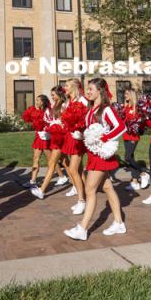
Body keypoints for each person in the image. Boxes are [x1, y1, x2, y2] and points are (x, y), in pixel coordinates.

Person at [64, 78, 126, 241]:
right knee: (107, 187)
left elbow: (121, 127)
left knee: (90, 190)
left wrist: (106, 138)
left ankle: (82, 229)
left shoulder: (106, 109)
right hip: (93, 154)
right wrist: (80, 134)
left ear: (100, 91)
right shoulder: (91, 109)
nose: (88, 92)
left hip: (102, 155)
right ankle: (119, 222)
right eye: (88, 89)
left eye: (91, 89)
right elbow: (90, 131)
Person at [23, 94, 67, 188]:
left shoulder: (48, 111)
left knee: (51, 160)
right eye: (36, 100)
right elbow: (32, 121)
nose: (36, 102)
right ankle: (33, 180)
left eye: (38, 100)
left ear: (43, 102)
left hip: (45, 137)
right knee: (37, 158)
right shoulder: (36, 110)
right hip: (39, 136)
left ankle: (62, 176)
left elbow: (50, 122)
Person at [31, 86, 67, 200]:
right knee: (68, 165)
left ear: (59, 94)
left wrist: (56, 125)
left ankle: (41, 190)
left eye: (53, 95)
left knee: (53, 163)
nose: (52, 97)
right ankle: (77, 187)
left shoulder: (63, 105)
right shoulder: (54, 106)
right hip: (54, 136)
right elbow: (51, 120)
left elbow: (65, 121)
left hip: (60, 137)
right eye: (51, 95)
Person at [61, 78, 88, 215]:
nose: (64, 88)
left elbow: (88, 119)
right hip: (70, 137)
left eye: (66, 85)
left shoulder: (82, 100)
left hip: (78, 139)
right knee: (80, 170)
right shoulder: (68, 102)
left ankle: (81, 201)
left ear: (73, 87)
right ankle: (86, 196)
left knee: (72, 170)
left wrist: (81, 132)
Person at [122, 88, 149, 191]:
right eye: (125, 93)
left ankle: (143, 173)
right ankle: (135, 182)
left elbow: (140, 122)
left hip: (133, 136)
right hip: (125, 136)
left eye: (127, 93)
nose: (125, 95)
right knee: (131, 158)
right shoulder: (125, 107)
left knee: (127, 158)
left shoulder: (137, 108)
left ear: (132, 95)